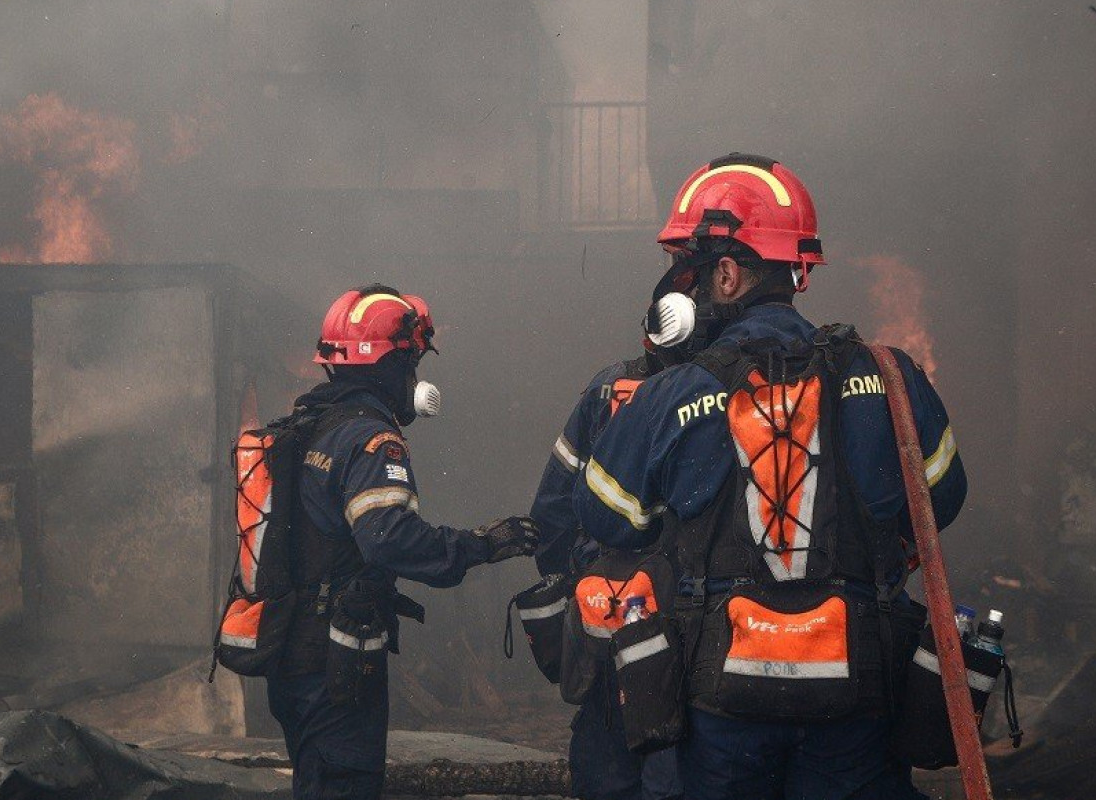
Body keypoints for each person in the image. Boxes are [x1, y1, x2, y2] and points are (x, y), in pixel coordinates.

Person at [573, 154, 967, 800]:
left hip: (721, 708)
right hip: (855, 706)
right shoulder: (888, 377)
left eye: (690, 272)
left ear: (726, 275)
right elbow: (943, 498)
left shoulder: (673, 393)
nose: (683, 289)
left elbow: (602, 516)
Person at [270, 285, 540, 800]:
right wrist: (481, 544)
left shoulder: (311, 426)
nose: (415, 378)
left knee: (315, 781)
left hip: (294, 654)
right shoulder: (371, 440)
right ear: (390, 365)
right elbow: (389, 540)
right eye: (412, 362)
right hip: (335, 663)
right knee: (344, 787)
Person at [528, 340, 684, 800]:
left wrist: (581, 586)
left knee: (607, 767)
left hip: (607, 630)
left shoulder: (608, 389)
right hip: (691, 635)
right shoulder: (729, 388)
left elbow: (551, 513)